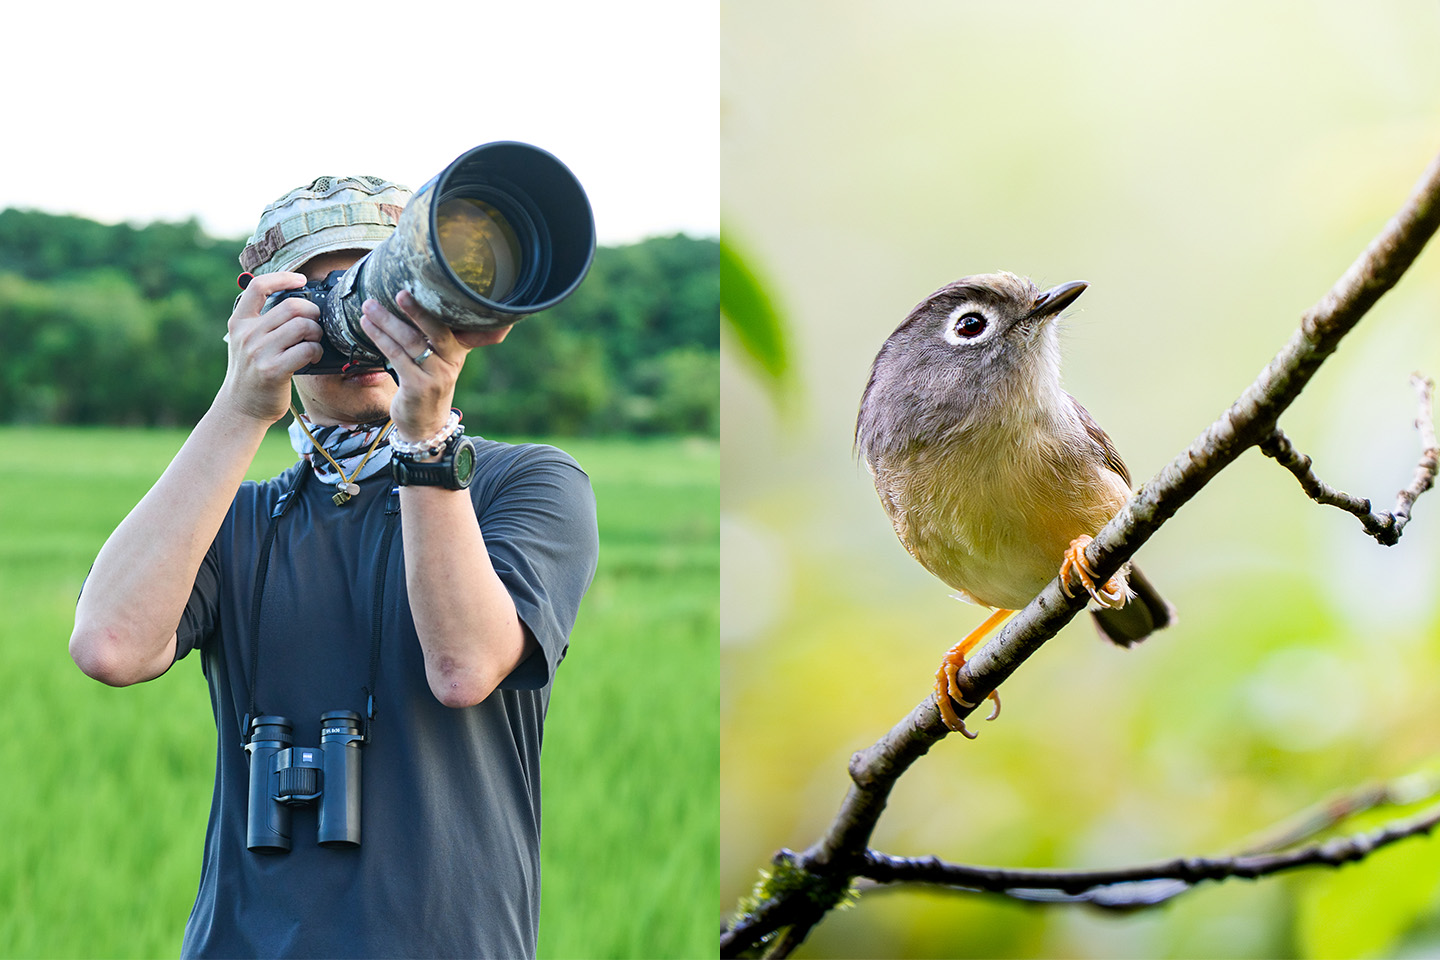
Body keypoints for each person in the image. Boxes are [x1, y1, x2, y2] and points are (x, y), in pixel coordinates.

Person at [68, 174, 599, 958]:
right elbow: (109, 646)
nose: (370, 323)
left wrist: (426, 439)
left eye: (395, 286)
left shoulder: (525, 485)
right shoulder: (238, 520)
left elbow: (464, 666)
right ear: (258, 313)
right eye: (326, 295)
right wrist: (242, 403)